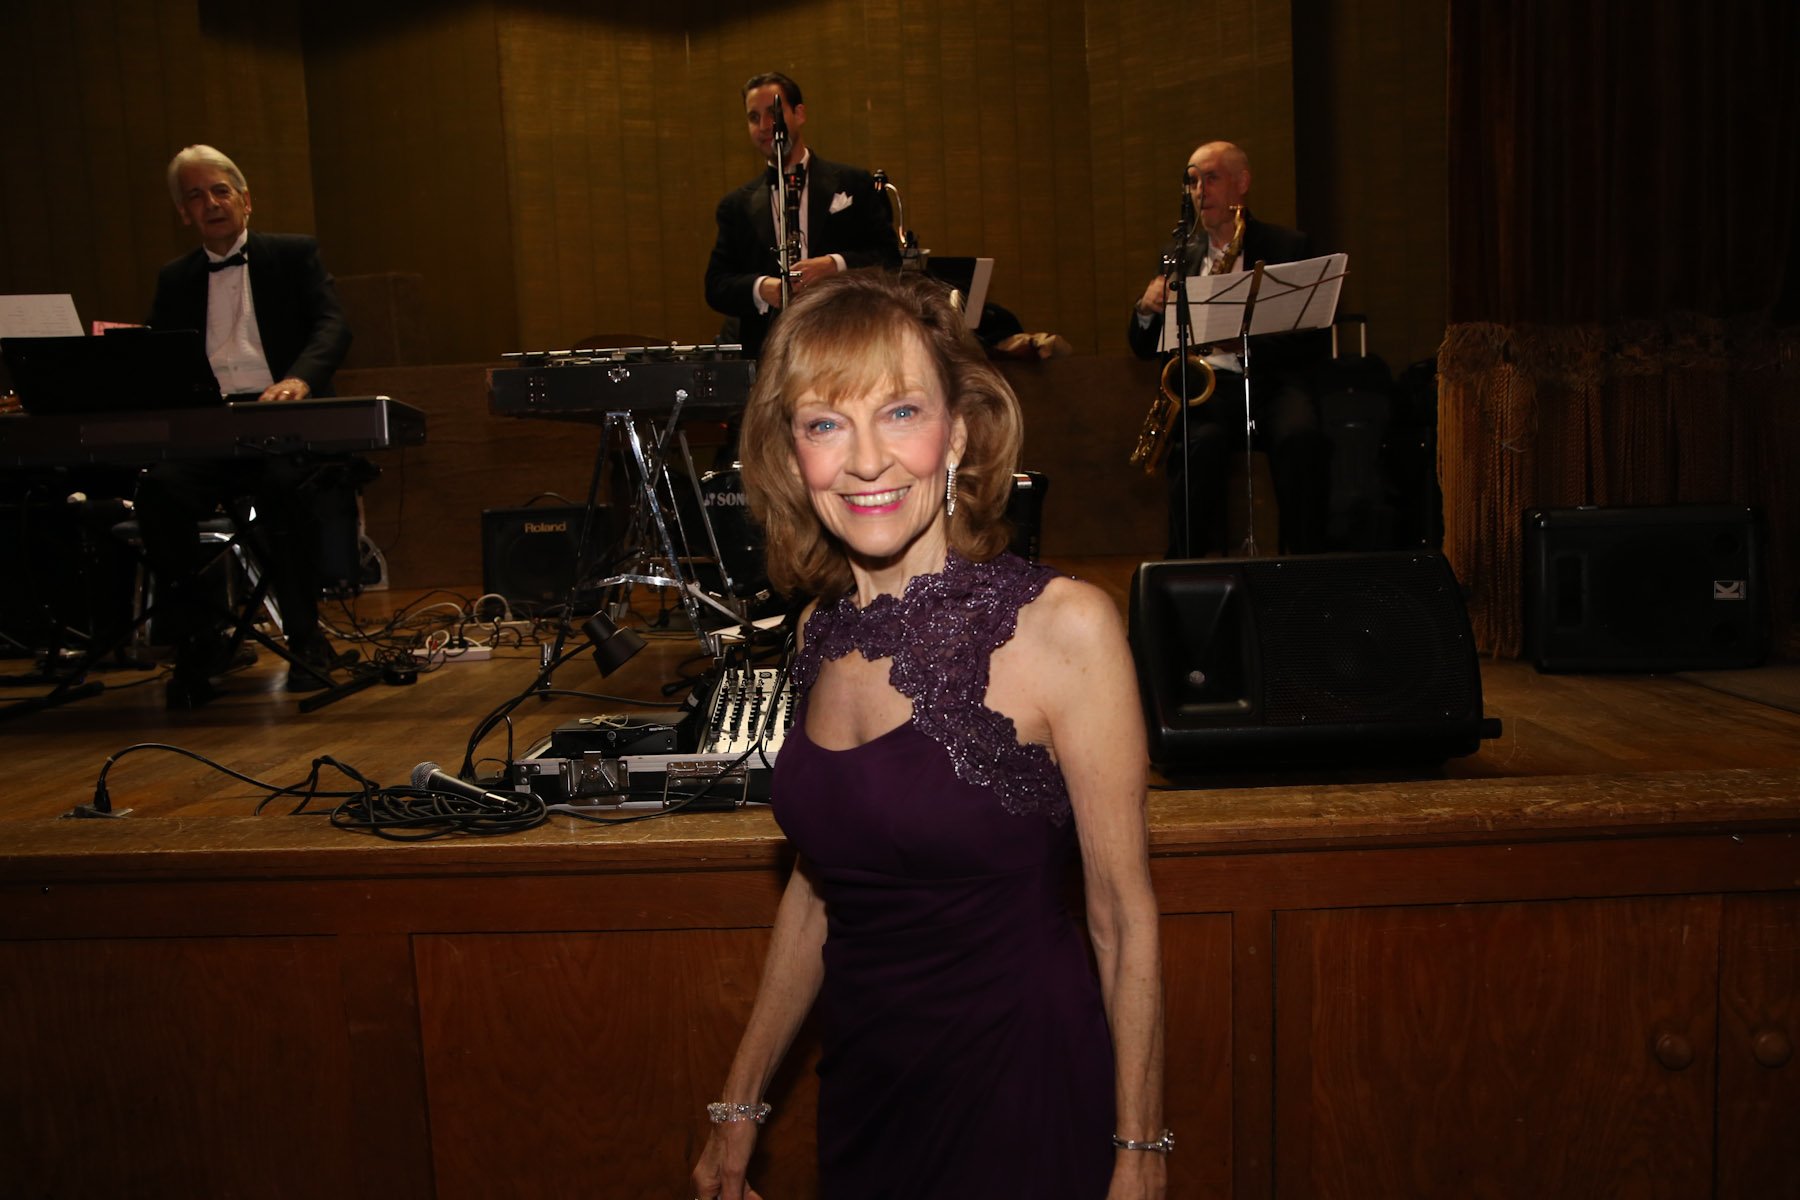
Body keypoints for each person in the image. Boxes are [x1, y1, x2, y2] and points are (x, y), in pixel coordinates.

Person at [690, 271, 1167, 1199]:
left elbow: (1121, 913)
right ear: (791, 453)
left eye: (900, 412)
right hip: (867, 1098)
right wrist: (739, 1106)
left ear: (958, 432)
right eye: (826, 424)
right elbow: (821, 891)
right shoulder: (817, 632)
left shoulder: (1064, 627)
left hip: (1023, 1099)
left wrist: (1140, 1155)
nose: (867, 461)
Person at [137, 144, 356, 707]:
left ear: (245, 200)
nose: (210, 203)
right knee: (159, 492)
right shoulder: (175, 279)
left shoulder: (293, 254)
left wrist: (299, 381)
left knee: (285, 487)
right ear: (183, 213)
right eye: (195, 196)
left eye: (220, 191)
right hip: (210, 428)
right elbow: (159, 356)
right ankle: (200, 640)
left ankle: (306, 639)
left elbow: (332, 326)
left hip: (282, 416)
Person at [1129, 141, 1330, 558]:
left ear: (1242, 183)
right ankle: (1188, 564)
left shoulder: (1287, 246)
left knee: (1301, 436)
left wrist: (1241, 340)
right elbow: (1143, 347)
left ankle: (1307, 561)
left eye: (1212, 178)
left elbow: (1310, 340)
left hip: (1274, 380)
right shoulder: (1177, 255)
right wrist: (1146, 310)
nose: (1200, 190)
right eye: (1192, 181)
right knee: (1198, 444)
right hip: (1210, 388)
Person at [704, 72, 900, 359]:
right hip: (771, 357)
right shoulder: (735, 206)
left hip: (849, 345)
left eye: (773, 114)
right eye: (754, 118)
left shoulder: (853, 183)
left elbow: (889, 259)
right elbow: (716, 285)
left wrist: (833, 266)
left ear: (799, 114)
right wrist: (763, 288)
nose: (765, 126)